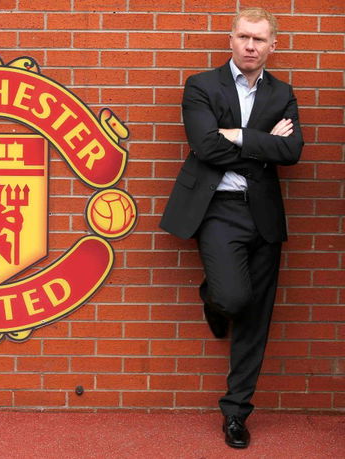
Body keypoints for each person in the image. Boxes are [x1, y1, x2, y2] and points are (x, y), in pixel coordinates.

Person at [160, 7, 303, 449]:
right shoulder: (202, 85)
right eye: (244, 37)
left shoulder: (282, 94)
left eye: (260, 39)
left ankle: (237, 412)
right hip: (217, 209)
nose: (251, 46)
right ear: (231, 40)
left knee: (256, 319)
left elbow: (293, 149)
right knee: (233, 297)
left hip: (262, 213)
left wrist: (238, 136)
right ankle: (213, 297)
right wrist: (263, 144)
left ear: (272, 46)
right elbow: (204, 145)